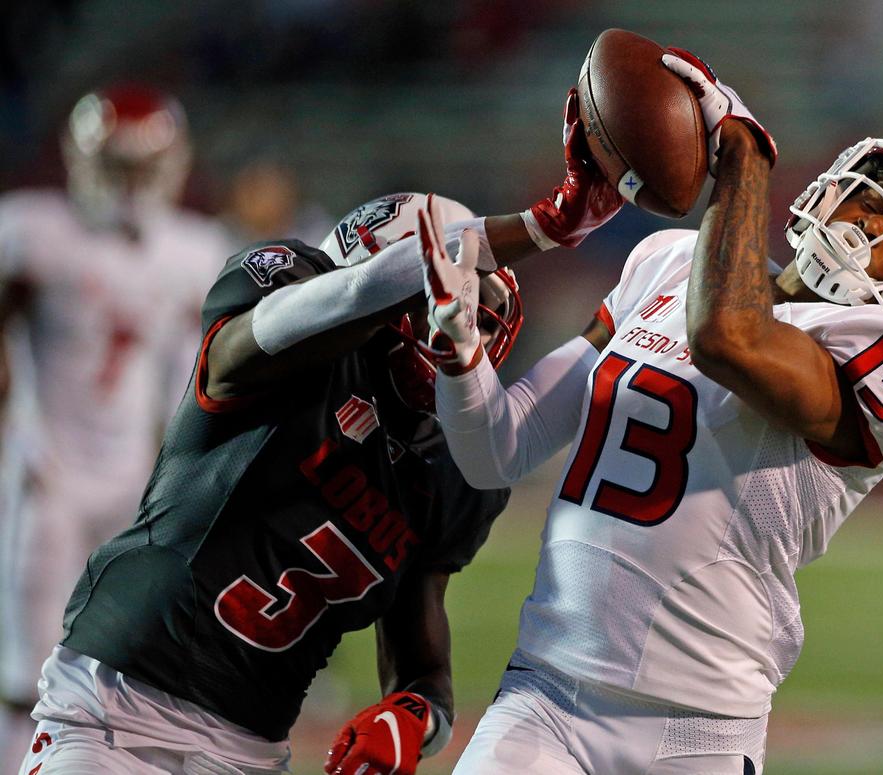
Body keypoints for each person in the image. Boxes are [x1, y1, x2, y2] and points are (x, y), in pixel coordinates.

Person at [427, 48, 883, 774]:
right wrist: (457, 352)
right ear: (832, 180)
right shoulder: (669, 261)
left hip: (697, 731)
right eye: (873, 193)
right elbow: (498, 450)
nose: (872, 224)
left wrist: (742, 152)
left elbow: (728, 337)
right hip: (545, 693)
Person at [15, 86, 623, 774]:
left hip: (249, 749)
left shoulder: (459, 464)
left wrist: (412, 720)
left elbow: (424, 671)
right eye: (441, 292)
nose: (464, 323)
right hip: (114, 708)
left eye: (482, 309)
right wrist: (544, 224)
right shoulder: (285, 340)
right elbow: (341, 300)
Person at [0, 84, 233, 769]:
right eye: (118, 167)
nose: (130, 184)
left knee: (135, 681)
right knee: (29, 677)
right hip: (48, 475)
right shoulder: (35, 231)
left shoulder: (193, 250)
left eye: (142, 168)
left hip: (141, 485)